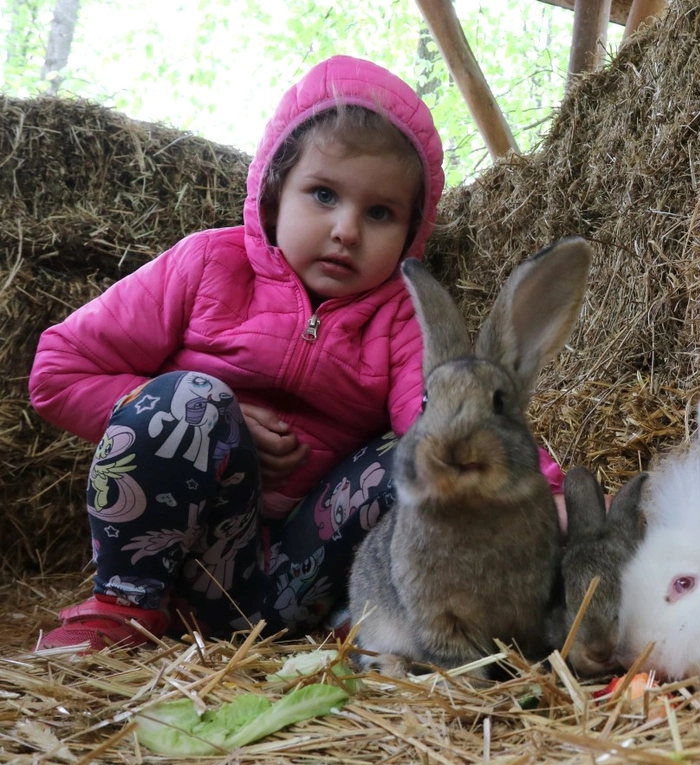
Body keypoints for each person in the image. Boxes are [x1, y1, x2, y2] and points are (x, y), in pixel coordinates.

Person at [28, 55, 566, 651]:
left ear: (414, 230)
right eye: (324, 195)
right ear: (275, 189)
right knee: (191, 401)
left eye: (380, 213)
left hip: (294, 582)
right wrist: (210, 417)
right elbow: (59, 370)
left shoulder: (398, 316)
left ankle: (366, 619)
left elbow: (446, 422)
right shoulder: (207, 264)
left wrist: (551, 499)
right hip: (170, 558)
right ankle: (124, 605)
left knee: (407, 455)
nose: (347, 230)